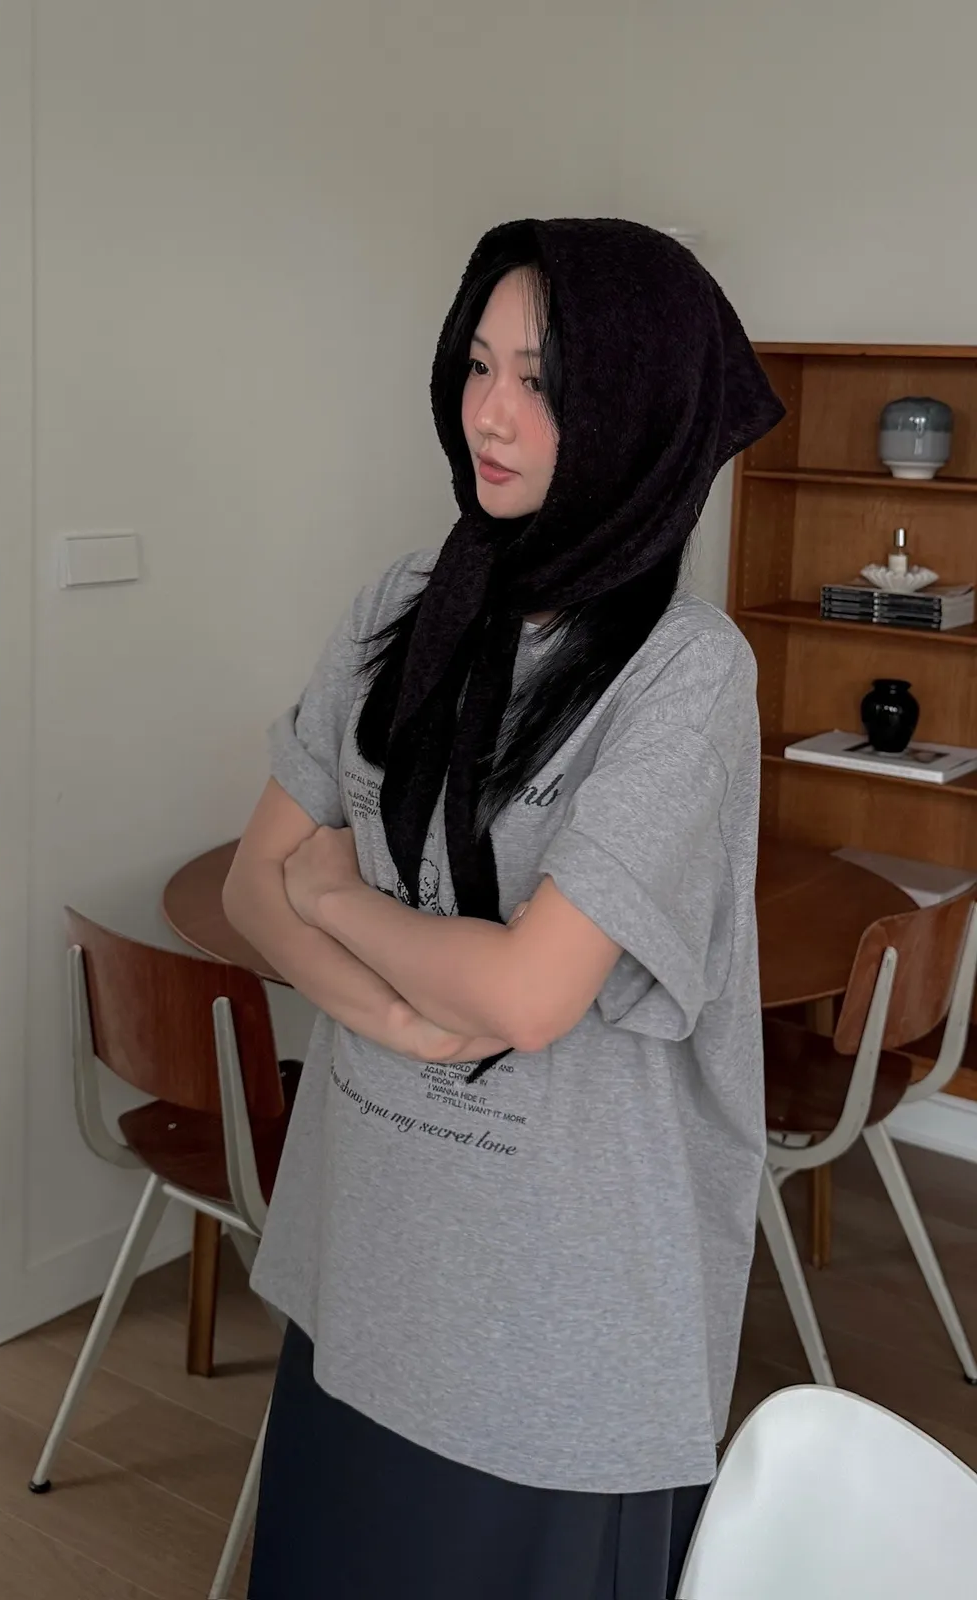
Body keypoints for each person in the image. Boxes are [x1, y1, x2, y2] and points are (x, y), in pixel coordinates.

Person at [222, 217, 785, 1600]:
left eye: (543, 381)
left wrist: (334, 895)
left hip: (557, 1330)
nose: (489, 412)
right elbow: (251, 885)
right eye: (478, 365)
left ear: (636, 414)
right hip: (366, 1264)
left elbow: (532, 995)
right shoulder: (405, 604)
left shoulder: (687, 674)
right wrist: (408, 1015)